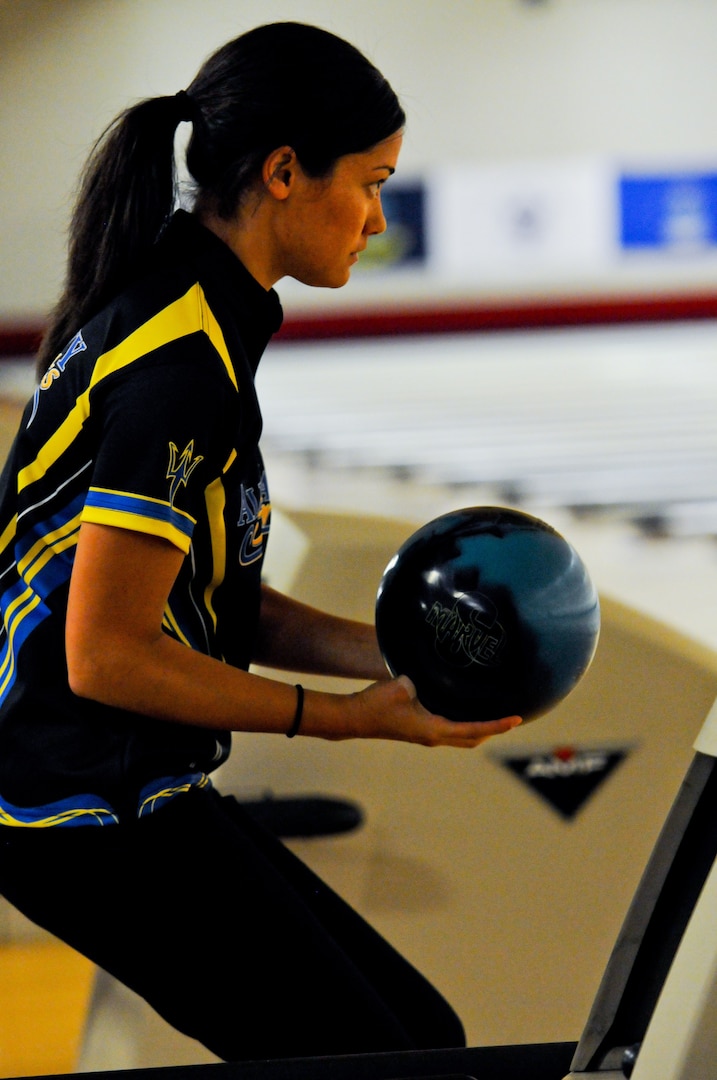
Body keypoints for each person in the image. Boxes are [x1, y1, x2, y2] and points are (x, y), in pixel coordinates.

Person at [0, 21, 521, 1063]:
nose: (378, 217)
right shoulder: (180, 360)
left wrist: (400, 653)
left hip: (108, 788)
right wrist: (342, 721)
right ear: (285, 172)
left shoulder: (190, 310)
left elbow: (206, 596)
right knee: (386, 1056)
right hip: (76, 813)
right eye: (370, 183)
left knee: (423, 1035)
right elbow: (106, 655)